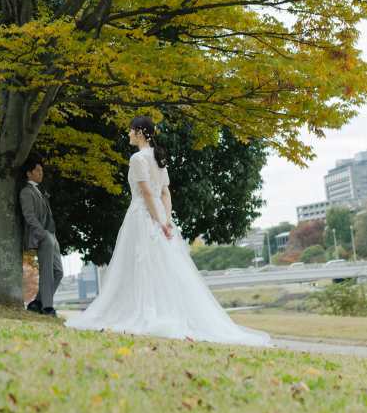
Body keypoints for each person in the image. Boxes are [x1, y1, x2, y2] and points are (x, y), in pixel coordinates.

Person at [63, 117, 270, 345]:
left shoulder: (137, 159)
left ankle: (145, 311)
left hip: (142, 216)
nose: (128, 135)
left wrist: (160, 222)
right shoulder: (159, 158)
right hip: (159, 215)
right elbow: (165, 194)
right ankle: (160, 309)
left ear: (140, 133)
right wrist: (166, 219)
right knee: (162, 266)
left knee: (139, 266)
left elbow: (148, 194)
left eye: (131, 131)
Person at [20, 154, 63, 316]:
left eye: (41, 170)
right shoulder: (26, 192)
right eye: (37, 171)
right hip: (44, 236)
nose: (41, 173)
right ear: (28, 174)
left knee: (59, 272)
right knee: (46, 271)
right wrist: (42, 234)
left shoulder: (39, 190)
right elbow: (29, 216)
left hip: (51, 235)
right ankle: (47, 308)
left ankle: (37, 302)